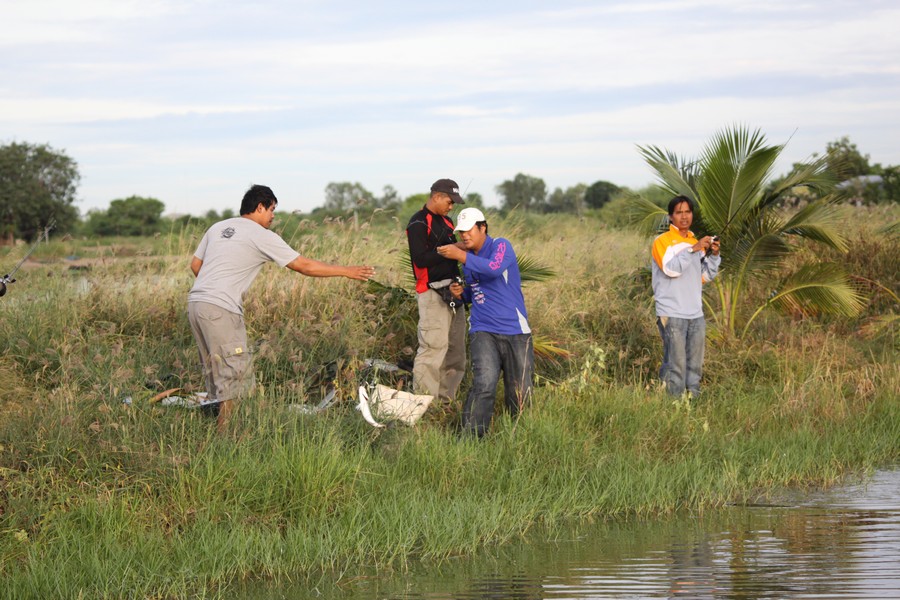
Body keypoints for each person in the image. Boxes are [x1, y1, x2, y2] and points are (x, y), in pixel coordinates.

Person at [188, 184, 374, 432]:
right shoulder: (260, 234)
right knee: (234, 374)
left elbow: (195, 265)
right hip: (221, 308)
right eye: (272, 210)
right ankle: (228, 437)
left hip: (196, 304)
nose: (273, 216)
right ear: (260, 206)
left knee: (217, 371)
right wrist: (346, 271)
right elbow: (303, 265)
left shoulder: (218, 227)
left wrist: (217, 285)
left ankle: (220, 428)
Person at [438, 207, 534, 437]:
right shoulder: (468, 260)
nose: (464, 236)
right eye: (461, 232)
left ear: (483, 227)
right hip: (483, 329)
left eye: (469, 230)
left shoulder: (501, 245)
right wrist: (461, 293)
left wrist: (461, 255)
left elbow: (493, 269)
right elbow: (476, 293)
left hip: (516, 330)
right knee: (484, 384)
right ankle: (471, 439)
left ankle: (520, 435)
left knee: (520, 389)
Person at [650, 195, 721, 399]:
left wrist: (714, 256)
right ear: (670, 217)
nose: (684, 216)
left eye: (687, 212)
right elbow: (671, 269)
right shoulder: (661, 241)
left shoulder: (692, 241)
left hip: (695, 314)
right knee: (676, 365)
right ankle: (673, 408)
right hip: (672, 314)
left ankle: (693, 403)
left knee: (694, 366)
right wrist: (694, 249)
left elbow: (704, 277)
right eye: (679, 212)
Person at [405, 178, 467, 402]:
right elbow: (420, 260)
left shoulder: (448, 223)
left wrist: (459, 282)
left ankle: (445, 401)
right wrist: (448, 250)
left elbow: (453, 261)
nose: (451, 207)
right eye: (450, 202)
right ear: (437, 196)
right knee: (433, 349)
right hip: (431, 293)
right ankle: (422, 403)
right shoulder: (419, 222)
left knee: (455, 351)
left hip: (453, 292)